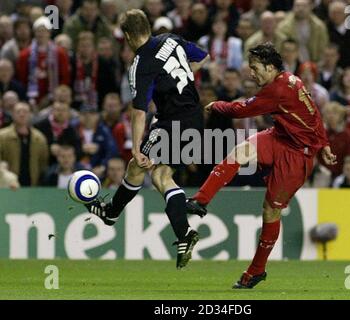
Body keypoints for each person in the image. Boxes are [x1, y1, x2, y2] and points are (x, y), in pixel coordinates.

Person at [187, 43, 336, 288]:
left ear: (269, 67)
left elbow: (240, 110)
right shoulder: (290, 80)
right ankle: (201, 200)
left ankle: (256, 271)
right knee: (241, 151)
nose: (251, 73)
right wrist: (325, 143)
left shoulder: (278, 89)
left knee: (270, 210)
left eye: (254, 68)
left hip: (298, 155)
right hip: (280, 137)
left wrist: (216, 105)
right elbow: (314, 113)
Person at [84, 9, 209, 269]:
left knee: (150, 170)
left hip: (171, 122)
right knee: (158, 174)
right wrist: (179, 82)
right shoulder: (171, 39)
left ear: (128, 35)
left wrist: (137, 147)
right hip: (195, 120)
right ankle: (113, 213)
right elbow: (204, 56)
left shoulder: (141, 65)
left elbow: (139, 112)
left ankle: (180, 232)